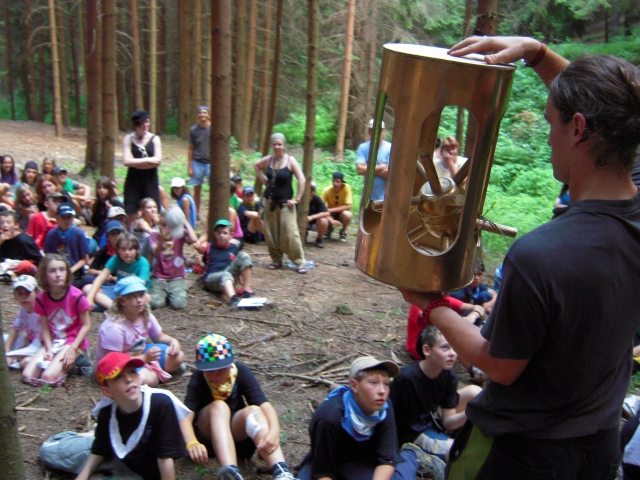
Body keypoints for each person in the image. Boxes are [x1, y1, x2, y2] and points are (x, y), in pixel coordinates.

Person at [400, 36, 640, 478]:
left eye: (551, 123)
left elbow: (500, 365)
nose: (548, 139)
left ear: (578, 128)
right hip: (599, 450)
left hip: (522, 457)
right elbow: (618, 112)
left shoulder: (542, 256)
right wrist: (537, 54)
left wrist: (431, 304)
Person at [297, 356, 446, 480]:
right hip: (327, 463)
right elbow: (322, 470)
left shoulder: (384, 407)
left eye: (386, 384)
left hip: (365, 461)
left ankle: (411, 455)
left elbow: (386, 458)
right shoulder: (330, 417)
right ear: (354, 386)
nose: (382, 391)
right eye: (374, 383)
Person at [184, 334, 299, 480]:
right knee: (219, 407)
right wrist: (191, 442)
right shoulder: (199, 378)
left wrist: (274, 432)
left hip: (236, 433)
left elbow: (264, 405)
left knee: (255, 410)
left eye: (222, 370)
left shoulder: (240, 372)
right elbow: (185, 417)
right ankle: (230, 472)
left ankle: (282, 472)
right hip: (208, 436)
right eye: (211, 371)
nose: (217, 376)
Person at [75, 352, 186, 480]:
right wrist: (82, 477)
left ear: (139, 377)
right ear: (107, 391)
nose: (128, 379)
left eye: (132, 372)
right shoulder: (107, 412)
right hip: (116, 458)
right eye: (118, 377)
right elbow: (99, 450)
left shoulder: (161, 406)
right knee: (56, 451)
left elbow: (165, 459)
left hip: (142, 473)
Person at [390, 325, 481, 463]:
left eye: (454, 348)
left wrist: (472, 412)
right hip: (410, 434)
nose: (452, 353)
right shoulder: (406, 378)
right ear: (427, 350)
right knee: (459, 452)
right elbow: (387, 412)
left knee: (475, 392)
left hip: (430, 422)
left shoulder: (450, 376)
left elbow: (448, 422)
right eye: (445, 348)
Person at [96, 276, 185, 386]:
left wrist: (173, 341)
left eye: (141, 295)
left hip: (139, 351)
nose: (139, 300)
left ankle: (154, 370)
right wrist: (145, 358)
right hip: (120, 364)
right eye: (133, 297)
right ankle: (152, 373)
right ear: (122, 301)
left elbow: (159, 337)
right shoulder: (114, 327)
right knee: (149, 378)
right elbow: (113, 361)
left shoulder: (145, 315)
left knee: (178, 356)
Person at [21, 253, 92, 386]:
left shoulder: (77, 296)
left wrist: (72, 348)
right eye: (53, 271)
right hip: (54, 341)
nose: (58, 274)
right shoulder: (41, 299)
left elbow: (86, 325)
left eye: (62, 270)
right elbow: (45, 328)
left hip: (73, 342)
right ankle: (57, 364)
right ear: (45, 275)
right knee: (27, 376)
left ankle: (80, 358)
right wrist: (49, 350)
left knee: (48, 377)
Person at [254, 133, 307, 273]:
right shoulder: (269, 159)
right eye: (275, 144)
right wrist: (264, 180)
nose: (277, 147)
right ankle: (276, 260)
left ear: (284, 145)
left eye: (280, 144)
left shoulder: (290, 160)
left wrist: (297, 199)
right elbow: (256, 165)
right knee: (270, 233)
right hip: (270, 203)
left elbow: (302, 179)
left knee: (291, 233)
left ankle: (299, 262)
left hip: (285, 205)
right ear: (271, 146)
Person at [85, 233, 151, 310]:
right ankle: (116, 308)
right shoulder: (115, 259)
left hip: (134, 295)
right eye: (123, 249)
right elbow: (100, 278)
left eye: (130, 249)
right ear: (118, 250)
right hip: (118, 291)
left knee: (148, 298)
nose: (127, 253)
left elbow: (141, 285)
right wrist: (90, 298)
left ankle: (112, 307)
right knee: (87, 288)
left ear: (136, 250)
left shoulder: (143, 262)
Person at [148, 206, 197, 310]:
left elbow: (193, 239)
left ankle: (177, 290)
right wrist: (162, 238)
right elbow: (156, 253)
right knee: (156, 304)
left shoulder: (178, 234)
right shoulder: (154, 235)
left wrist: (183, 220)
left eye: (169, 225)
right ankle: (163, 292)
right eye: (163, 225)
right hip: (159, 276)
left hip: (176, 277)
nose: (167, 228)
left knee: (179, 305)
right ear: (159, 224)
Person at [122, 110, 162, 230]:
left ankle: (156, 236)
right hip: (133, 181)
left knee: (153, 211)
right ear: (136, 125)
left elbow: (158, 160)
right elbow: (127, 161)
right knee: (131, 212)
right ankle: (130, 236)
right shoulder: (128, 139)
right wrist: (149, 161)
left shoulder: (154, 139)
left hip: (150, 180)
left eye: (147, 122)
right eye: (142, 123)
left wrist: (137, 163)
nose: (145, 125)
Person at [202, 219, 254, 306]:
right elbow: (205, 262)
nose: (221, 235)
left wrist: (241, 280)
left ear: (231, 235)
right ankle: (233, 299)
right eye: (219, 233)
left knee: (244, 255)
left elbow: (237, 265)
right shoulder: (210, 247)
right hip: (212, 278)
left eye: (225, 233)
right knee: (225, 274)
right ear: (215, 234)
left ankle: (247, 290)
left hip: (228, 274)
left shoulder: (234, 248)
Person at [44, 203, 89, 288]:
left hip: (75, 274)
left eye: (69, 217)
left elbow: (84, 259)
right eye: (63, 217)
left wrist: (70, 271)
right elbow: (48, 256)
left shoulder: (79, 233)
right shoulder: (51, 235)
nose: (67, 220)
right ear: (57, 218)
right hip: (57, 273)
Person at [5, 275, 41, 370]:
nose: (24, 297)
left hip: (41, 346)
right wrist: (6, 349)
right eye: (20, 294)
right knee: (5, 338)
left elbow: (40, 343)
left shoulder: (41, 312)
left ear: (37, 293)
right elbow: (15, 328)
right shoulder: (23, 309)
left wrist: (10, 355)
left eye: (28, 293)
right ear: (15, 296)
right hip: (30, 341)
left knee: (25, 363)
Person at [356, 119, 392, 202]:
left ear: (384, 132)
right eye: (373, 129)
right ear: (369, 131)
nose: (377, 132)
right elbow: (360, 170)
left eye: (380, 130)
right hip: (367, 197)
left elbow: (390, 174)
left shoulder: (390, 148)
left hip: (385, 198)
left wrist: (367, 169)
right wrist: (382, 167)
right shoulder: (363, 148)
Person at [188, 105, 211, 213]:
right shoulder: (193, 130)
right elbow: (190, 148)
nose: (202, 114)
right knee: (197, 189)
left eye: (204, 112)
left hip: (211, 163)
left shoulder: (214, 129)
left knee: (214, 190)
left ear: (209, 115)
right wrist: (190, 167)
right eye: (200, 112)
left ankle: (212, 212)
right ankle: (196, 213)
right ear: (197, 115)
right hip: (197, 162)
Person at [321, 171, 353, 242]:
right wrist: (329, 214)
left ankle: (343, 231)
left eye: (338, 181)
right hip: (330, 214)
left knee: (348, 214)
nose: (335, 183)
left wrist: (330, 210)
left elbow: (348, 206)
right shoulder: (327, 190)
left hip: (341, 213)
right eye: (333, 181)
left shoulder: (346, 187)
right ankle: (328, 230)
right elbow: (320, 207)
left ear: (342, 182)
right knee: (322, 215)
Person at [90, 176, 124, 242]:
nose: (101, 190)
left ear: (109, 189)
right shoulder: (97, 204)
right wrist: (89, 208)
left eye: (105, 188)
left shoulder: (115, 203)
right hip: (99, 235)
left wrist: (112, 211)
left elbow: (123, 223)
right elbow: (94, 224)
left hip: (113, 234)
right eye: (99, 188)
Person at [307, 181, 339, 249]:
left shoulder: (317, 199)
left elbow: (326, 213)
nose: (309, 192)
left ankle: (319, 239)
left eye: (311, 190)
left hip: (315, 223)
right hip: (303, 223)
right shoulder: (300, 198)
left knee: (324, 221)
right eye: (307, 190)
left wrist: (311, 217)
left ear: (314, 192)